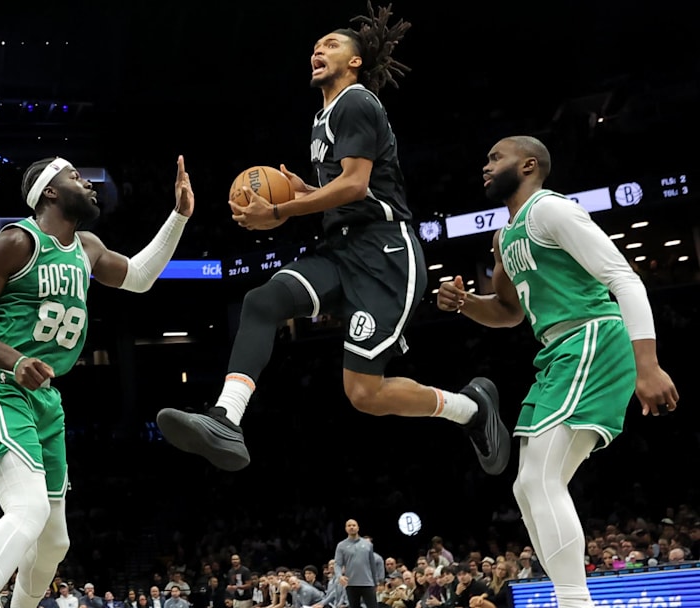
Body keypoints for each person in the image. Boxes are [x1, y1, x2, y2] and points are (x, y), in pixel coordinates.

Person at [156, 4, 509, 475]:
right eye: (316, 46)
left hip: (386, 254)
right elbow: (342, 190)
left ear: (356, 61)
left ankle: (472, 409)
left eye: (331, 44)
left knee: (363, 394)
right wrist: (307, 191)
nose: (318, 50)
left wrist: (282, 208)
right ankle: (227, 419)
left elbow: (357, 185)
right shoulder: (322, 120)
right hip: (342, 249)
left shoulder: (358, 101)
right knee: (262, 302)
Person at [436, 135, 679, 608]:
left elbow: (623, 278)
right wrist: (465, 304)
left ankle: (574, 602)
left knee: (542, 482)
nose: (485, 166)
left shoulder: (551, 210)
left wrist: (646, 364)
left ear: (529, 165)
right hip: (557, 351)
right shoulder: (505, 236)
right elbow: (508, 312)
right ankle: (572, 598)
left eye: (495, 158)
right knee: (527, 487)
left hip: (592, 336)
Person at [0, 156, 194, 608]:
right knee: (28, 511)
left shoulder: (88, 247)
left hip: (43, 397)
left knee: (55, 541)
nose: (89, 182)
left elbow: (139, 277)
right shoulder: (17, 242)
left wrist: (179, 216)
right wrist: (15, 361)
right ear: (50, 192)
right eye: (75, 176)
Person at [333, 520, 382, 608]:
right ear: (346, 529)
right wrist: (339, 576)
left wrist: (375, 582)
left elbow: (372, 565)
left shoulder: (368, 544)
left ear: (358, 528)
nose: (351, 527)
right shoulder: (341, 545)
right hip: (351, 583)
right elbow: (337, 564)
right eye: (349, 525)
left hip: (368, 583)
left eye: (354, 525)